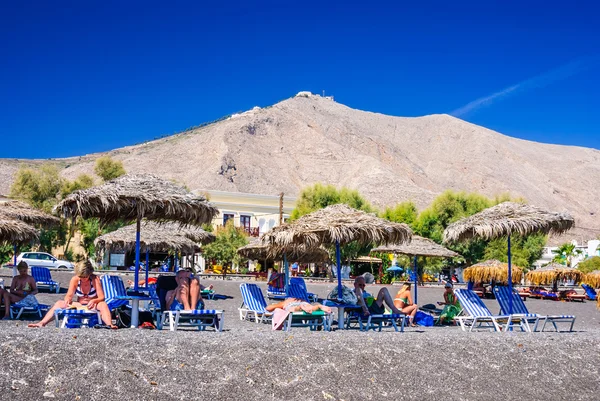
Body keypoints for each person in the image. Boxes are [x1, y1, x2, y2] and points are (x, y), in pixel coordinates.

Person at [28, 261, 116, 329]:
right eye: (81, 277)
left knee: (103, 305)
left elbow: (101, 297)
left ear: (89, 274)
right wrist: (67, 299)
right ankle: (42, 323)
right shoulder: (75, 279)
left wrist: (94, 300)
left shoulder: (95, 279)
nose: (83, 279)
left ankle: (109, 324)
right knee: (59, 303)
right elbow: (69, 295)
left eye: (85, 277)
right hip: (80, 305)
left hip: (92, 305)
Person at [266, 297, 332, 314]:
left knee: (292, 309)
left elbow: (268, 308)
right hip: (304, 303)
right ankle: (318, 306)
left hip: (292, 305)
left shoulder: (286, 302)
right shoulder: (301, 299)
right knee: (311, 307)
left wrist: (277, 306)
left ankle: (300, 308)